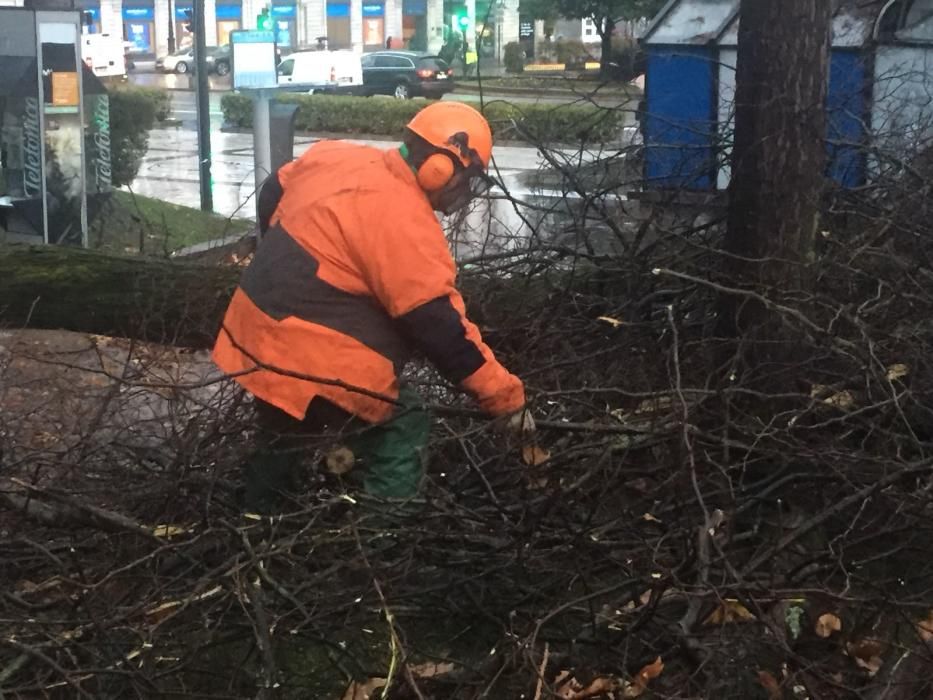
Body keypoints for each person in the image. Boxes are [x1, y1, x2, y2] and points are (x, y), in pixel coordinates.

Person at [213, 102, 534, 508]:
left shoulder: (336, 156)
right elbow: (440, 328)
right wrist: (506, 400)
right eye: (466, 180)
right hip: (306, 348)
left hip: (253, 327)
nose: (463, 194)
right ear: (442, 166)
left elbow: (274, 188)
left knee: (283, 435)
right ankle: (380, 542)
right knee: (404, 421)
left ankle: (259, 522)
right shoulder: (406, 221)